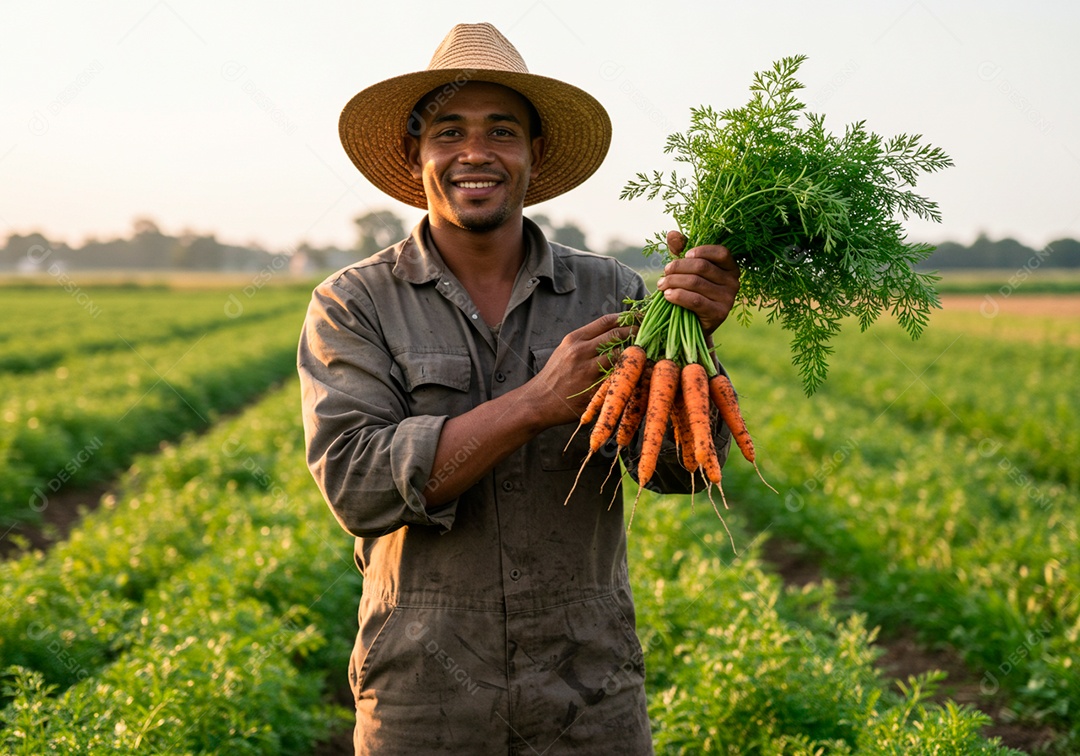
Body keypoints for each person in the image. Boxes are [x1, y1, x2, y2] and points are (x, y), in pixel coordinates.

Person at [297, 22, 740, 755]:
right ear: (417, 155)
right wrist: (536, 404)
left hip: (588, 693)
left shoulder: (612, 293)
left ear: (535, 155)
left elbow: (679, 471)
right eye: (450, 131)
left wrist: (696, 344)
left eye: (502, 130)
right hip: (423, 701)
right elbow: (358, 487)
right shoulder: (354, 302)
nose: (476, 152)